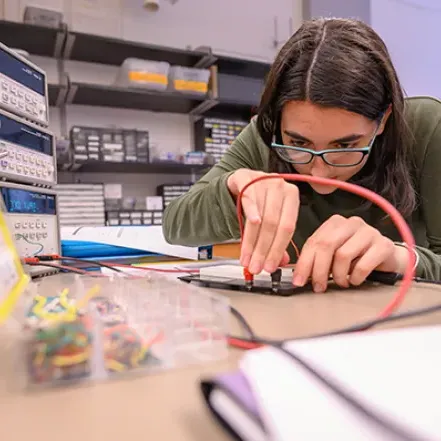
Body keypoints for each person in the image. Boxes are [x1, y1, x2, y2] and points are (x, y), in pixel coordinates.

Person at [162, 17, 441, 292]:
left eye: (344, 146)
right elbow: (175, 226)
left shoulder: (427, 128)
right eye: (299, 143)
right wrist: (234, 188)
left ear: (383, 120)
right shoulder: (267, 137)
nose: (319, 173)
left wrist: (399, 258)